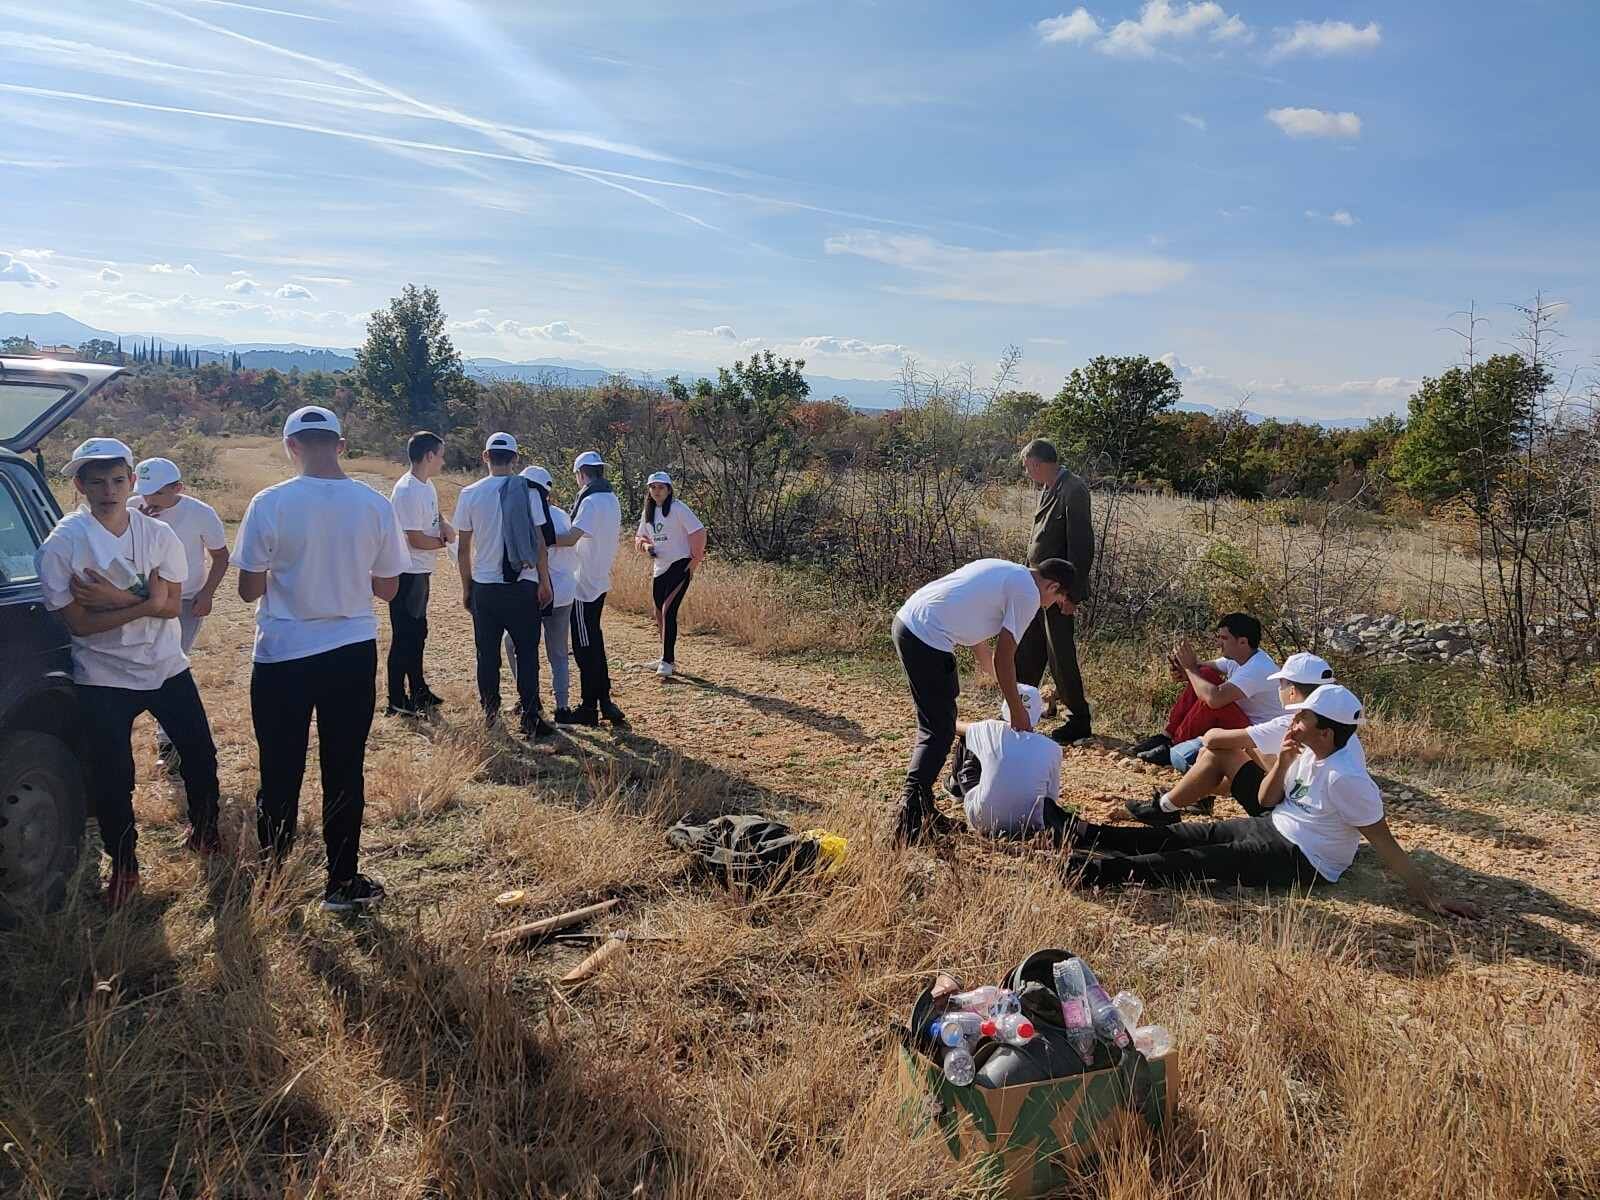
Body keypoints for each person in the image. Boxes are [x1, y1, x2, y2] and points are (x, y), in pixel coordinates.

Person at [1060, 685, 1480, 919]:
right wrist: (1282, 762)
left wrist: (1428, 895)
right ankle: (1084, 834)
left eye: (1304, 719)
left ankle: (1098, 870)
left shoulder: (1348, 778)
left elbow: (1386, 843)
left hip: (1304, 857)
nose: (1294, 722)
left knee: (1200, 860)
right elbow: (1266, 799)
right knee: (1187, 833)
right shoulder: (1307, 751)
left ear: (1327, 732)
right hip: (1276, 825)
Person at [234, 406, 410, 912]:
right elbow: (388, 587)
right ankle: (340, 883)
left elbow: (248, 590)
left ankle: (274, 886)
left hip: (282, 654)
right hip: (351, 650)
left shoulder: (269, 503)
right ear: (341, 444)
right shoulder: (375, 505)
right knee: (344, 768)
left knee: (280, 770)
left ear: (291, 446)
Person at [37, 438, 221, 907]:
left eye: (118, 480)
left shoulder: (158, 535)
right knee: (113, 776)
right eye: (96, 481)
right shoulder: (64, 545)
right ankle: (126, 864)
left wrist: (116, 601)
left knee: (200, 756)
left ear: (132, 482)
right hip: (102, 674)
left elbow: (169, 610)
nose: (108, 490)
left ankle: (205, 833)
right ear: (79, 485)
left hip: (165, 666)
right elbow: (78, 623)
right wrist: (146, 604)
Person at [891, 556, 1078, 845]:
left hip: (911, 623)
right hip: (926, 636)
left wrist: (993, 671)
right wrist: (1018, 712)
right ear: (1053, 585)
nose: (1050, 606)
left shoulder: (1007, 571)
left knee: (939, 723)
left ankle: (922, 806)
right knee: (938, 730)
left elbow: (978, 634)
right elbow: (1006, 657)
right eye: (1056, 600)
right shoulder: (1028, 593)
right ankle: (909, 816)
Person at [1124, 651, 1346, 825]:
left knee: (1217, 752)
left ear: (1292, 691)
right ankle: (1182, 800)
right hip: (1308, 809)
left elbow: (1212, 739)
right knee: (1233, 753)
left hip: (1287, 812)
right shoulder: (1339, 723)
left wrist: (1237, 742)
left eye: (1281, 684)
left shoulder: (1290, 724)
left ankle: (1165, 807)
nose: (1278, 689)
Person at [127, 456, 229, 772]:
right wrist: (137, 524)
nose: (149, 500)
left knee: (171, 664)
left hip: (184, 599)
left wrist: (207, 594)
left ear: (177, 488)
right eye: (144, 491)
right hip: (138, 597)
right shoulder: (131, 508)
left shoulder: (199, 513)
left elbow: (221, 557)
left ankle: (169, 744)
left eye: (157, 493)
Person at [452, 432, 555, 737]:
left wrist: (466, 587)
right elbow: (539, 541)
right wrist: (544, 581)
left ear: (485, 456)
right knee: (527, 653)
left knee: (487, 654)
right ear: (515, 459)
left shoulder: (469, 494)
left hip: (485, 587)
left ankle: (491, 715)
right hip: (523, 585)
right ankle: (530, 716)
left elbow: (462, 548)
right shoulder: (529, 492)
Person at [1014, 439, 1094, 744]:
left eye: (1027, 467)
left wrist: (1071, 595)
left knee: (1060, 654)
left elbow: (1081, 546)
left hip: (1058, 590)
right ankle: (1021, 704)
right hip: (1036, 588)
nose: (1027, 473)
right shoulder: (1049, 488)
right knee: (1029, 650)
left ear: (1036, 463)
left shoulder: (1073, 489)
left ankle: (1078, 719)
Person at [1129, 612, 1285, 769]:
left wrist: (1190, 669)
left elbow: (1214, 699)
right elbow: (1201, 669)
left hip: (1256, 734)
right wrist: (1184, 670)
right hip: (1244, 723)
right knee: (1204, 674)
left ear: (1243, 642)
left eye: (1224, 638)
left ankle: (1174, 745)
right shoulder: (1241, 657)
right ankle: (1166, 736)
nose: (1219, 643)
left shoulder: (1258, 668)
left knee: (1212, 700)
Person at [386, 431, 454, 716]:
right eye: (440, 455)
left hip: (421, 571)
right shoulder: (407, 491)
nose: (442, 460)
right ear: (428, 456)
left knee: (418, 632)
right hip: (407, 573)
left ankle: (419, 689)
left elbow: (435, 517)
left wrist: (446, 526)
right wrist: (443, 542)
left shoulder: (426, 487)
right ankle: (396, 699)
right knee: (405, 634)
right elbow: (413, 538)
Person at [504, 465, 580, 723]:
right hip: (565, 592)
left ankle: (527, 698)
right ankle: (562, 706)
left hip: (535, 591)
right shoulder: (560, 516)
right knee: (557, 652)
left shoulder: (522, 516)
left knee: (514, 644)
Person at [945, 684, 1064, 836]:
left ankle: (957, 788)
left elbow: (955, 726)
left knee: (968, 738)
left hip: (982, 820)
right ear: (1038, 714)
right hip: (1029, 825)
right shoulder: (1053, 748)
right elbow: (1050, 798)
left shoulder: (991, 728)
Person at [566, 450, 627, 727]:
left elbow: (571, 538)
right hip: (599, 579)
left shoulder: (589, 502)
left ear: (581, 474)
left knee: (584, 647)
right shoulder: (611, 499)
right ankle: (604, 701)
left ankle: (590, 707)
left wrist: (540, 534)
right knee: (594, 642)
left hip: (582, 585)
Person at [633, 471, 705, 678]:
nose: (657, 491)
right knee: (658, 611)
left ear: (669, 489)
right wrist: (646, 547)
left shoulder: (678, 508)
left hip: (680, 564)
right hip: (659, 567)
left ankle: (666, 661)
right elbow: (640, 536)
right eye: (653, 487)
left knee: (668, 611)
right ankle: (667, 656)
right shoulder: (647, 512)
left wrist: (694, 560)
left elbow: (699, 531)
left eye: (661, 487)